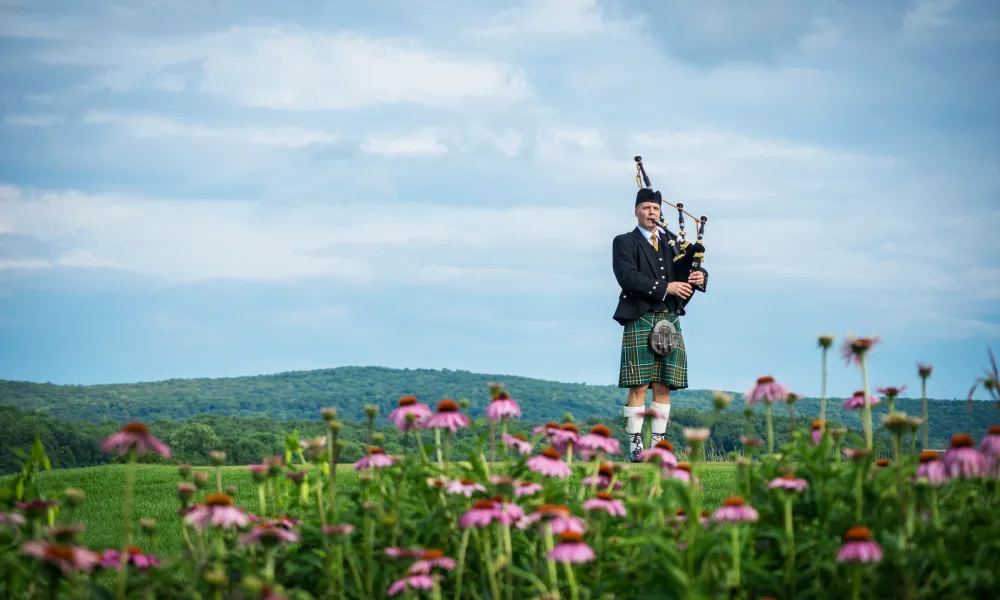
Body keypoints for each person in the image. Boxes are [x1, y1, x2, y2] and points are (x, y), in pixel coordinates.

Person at [612, 187, 706, 462]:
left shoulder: (673, 243)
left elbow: (691, 269)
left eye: (655, 208)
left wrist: (700, 275)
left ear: (660, 212)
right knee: (639, 385)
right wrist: (667, 287)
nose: (651, 212)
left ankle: (659, 448)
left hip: (668, 317)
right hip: (640, 316)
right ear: (636, 211)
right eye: (646, 208)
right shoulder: (624, 242)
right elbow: (627, 277)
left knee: (664, 386)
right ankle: (636, 448)